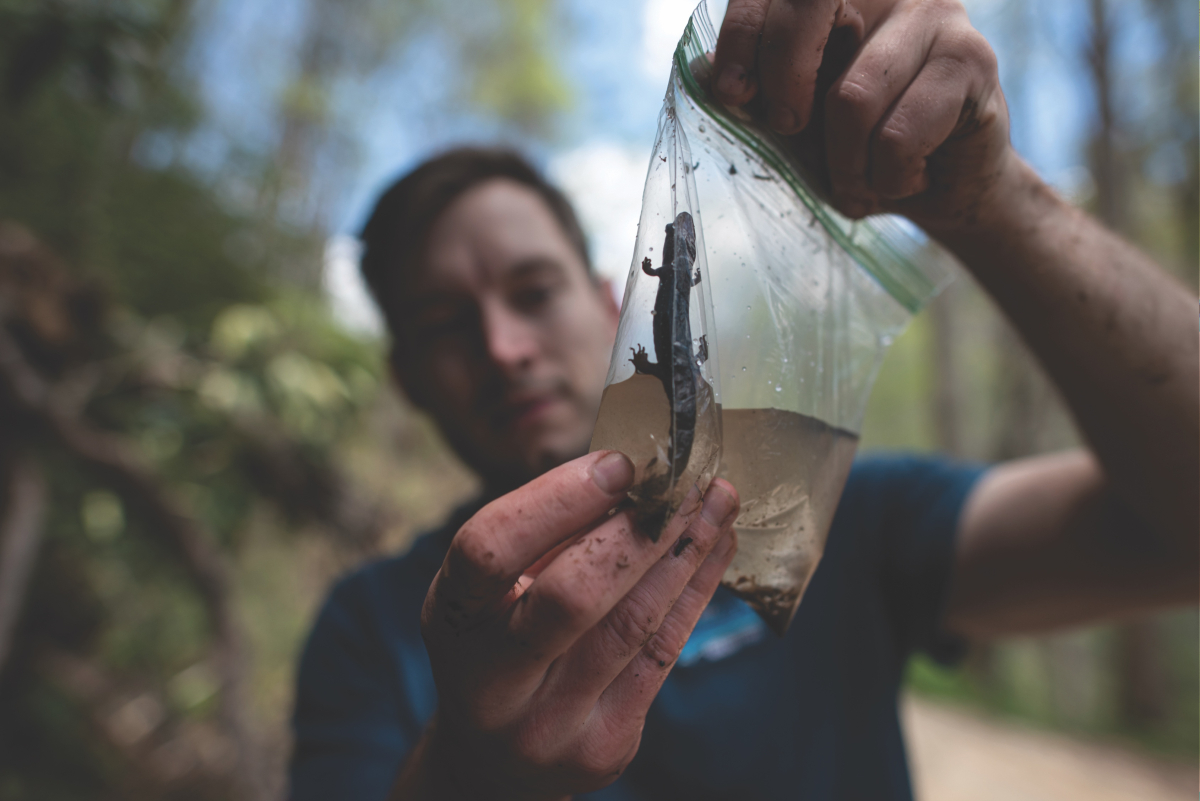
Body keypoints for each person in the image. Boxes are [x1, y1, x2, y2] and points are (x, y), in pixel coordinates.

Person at [289, 1, 1198, 798]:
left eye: (534, 290)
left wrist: (996, 204)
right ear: (408, 379)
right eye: (448, 326)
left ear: (611, 302)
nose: (505, 350)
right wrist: (469, 779)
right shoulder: (376, 629)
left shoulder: (829, 514)